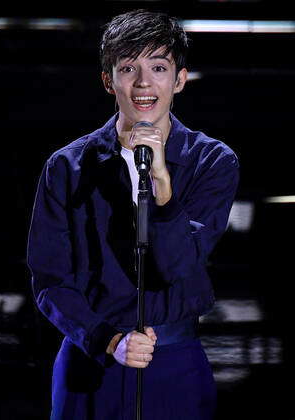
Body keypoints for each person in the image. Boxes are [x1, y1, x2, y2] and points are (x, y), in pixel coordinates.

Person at [27, 9, 239, 420]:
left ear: (179, 79)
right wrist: (109, 340)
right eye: (129, 68)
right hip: (90, 361)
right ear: (109, 80)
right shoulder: (66, 167)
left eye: (158, 67)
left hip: (174, 364)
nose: (144, 83)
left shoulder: (212, 161)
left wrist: (162, 183)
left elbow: (181, 265)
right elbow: (50, 278)